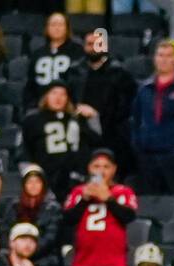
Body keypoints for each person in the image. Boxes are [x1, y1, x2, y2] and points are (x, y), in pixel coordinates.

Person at [129, 41, 174, 201]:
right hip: (147, 156)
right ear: (154, 58)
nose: (164, 60)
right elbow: (135, 119)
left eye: (169, 55)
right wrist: (138, 146)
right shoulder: (144, 88)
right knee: (150, 202)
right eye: (160, 55)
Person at [60, 148, 137, 266]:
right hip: (83, 264)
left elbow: (128, 216)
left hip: (113, 265)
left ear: (114, 170)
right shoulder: (78, 192)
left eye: (106, 167)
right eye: (97, 166)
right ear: (89, 168)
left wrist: (108, 198)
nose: (101, 171)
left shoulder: (123, 192)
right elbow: (68, 219)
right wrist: (84, 200)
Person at [63, 28, 138, 177]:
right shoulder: (74, 72)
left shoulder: (120, 74)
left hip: (113, 136)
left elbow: (126, 107)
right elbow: (66, 100)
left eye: (98, 44)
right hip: (82, 136)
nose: (93, 48)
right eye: (89, 44)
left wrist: (97, 115)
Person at [20, 82, 95, 201]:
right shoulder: (32, 120)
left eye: (63, 94)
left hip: (75, 178)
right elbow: (25, 152)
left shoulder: (77, 119)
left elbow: (95, 143)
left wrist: (93, 118)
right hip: (46, 178)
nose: (58, 98)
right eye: (54, 93)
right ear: (46, 96)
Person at [25, 11, 84, 111]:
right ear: (47, 28)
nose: (57, 28)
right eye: (53, 24)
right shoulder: (38, 54)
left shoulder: (77, 51)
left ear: (67, 28)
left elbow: (81, 82)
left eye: (60, 24)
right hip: (41, 106)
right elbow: (31, 84)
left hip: (69, 106)